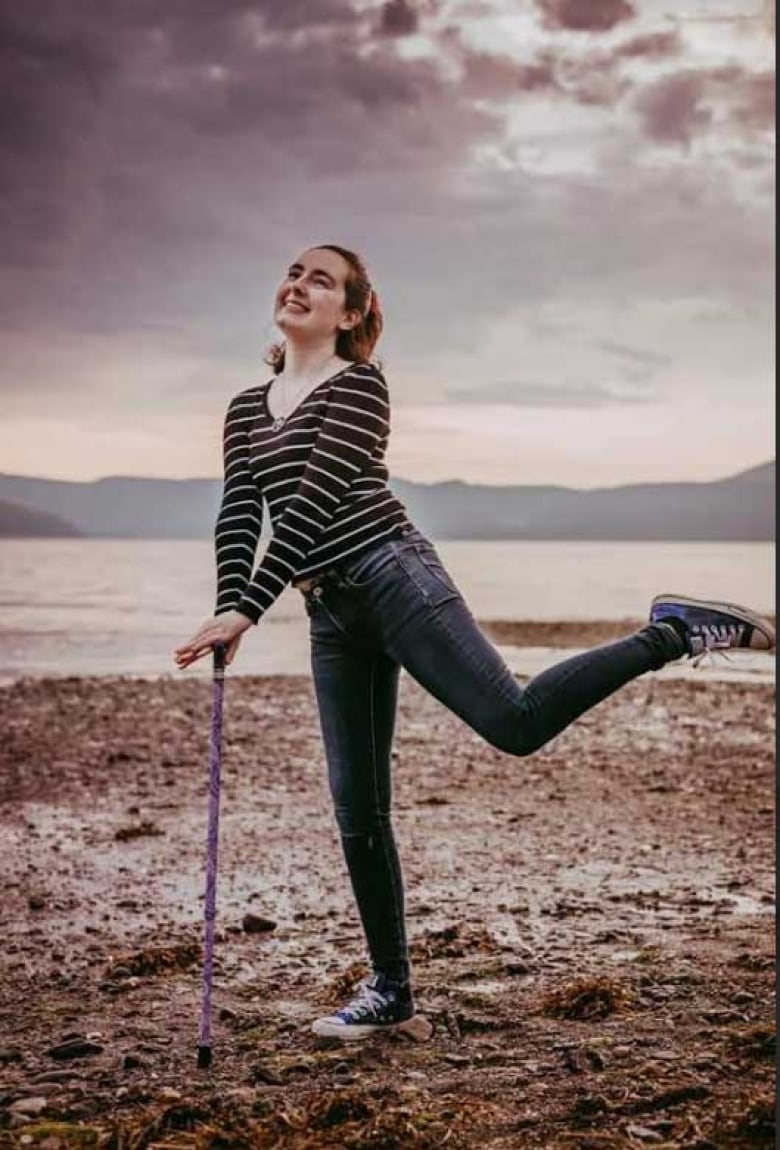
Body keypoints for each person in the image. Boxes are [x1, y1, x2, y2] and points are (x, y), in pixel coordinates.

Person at [174, 243, 775, 1041]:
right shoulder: (248, 407)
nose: (299, 284)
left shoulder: (360, 388)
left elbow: (315, 504)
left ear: (351, 314)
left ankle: (672, 632)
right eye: (293, 271)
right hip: (331, 613)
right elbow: (240, 511)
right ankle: (391, 990)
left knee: (515, 722)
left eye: (323, 279)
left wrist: (251, 604)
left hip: (394, 577)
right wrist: (226, 610)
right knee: (357, 805)